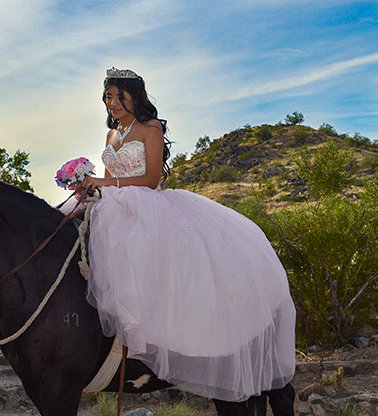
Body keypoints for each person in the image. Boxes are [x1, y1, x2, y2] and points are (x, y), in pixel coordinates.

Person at [79, 67, 296, 408]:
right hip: (114, 206)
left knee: (161, 261)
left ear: (136, 96)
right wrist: (93, 188)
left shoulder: (151, 128)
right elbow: (109, 177)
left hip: (147, 206)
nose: (113, 103)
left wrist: (104, 184)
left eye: (121, 96)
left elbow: (150, 179)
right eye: (109, 96)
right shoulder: (111, 135)